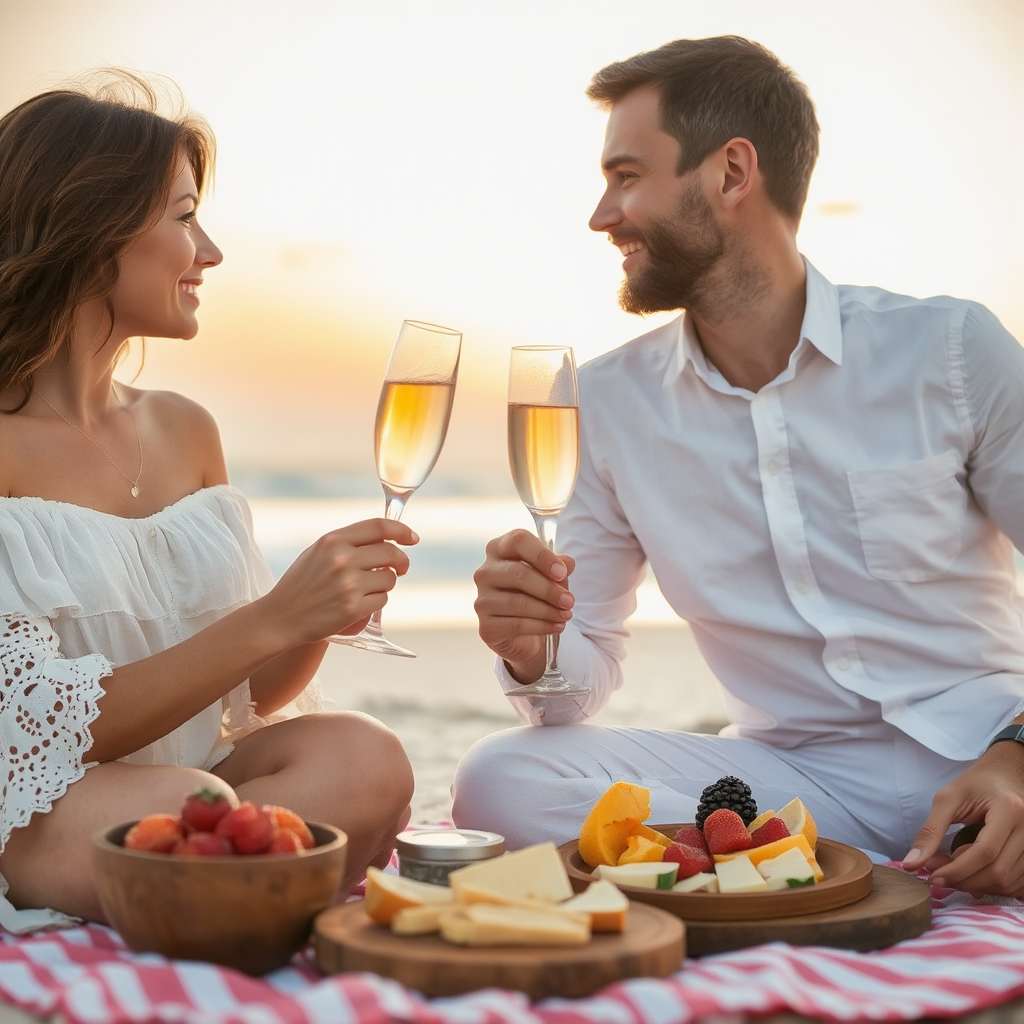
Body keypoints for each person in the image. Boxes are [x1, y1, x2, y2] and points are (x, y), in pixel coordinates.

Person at [452, 35, 1024, 899]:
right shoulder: (604, 403)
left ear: (730, 173)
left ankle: (818, 883)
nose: (603, 215)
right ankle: (836, 874)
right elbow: (573, 689)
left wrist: (1018, 759)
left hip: (992, 755)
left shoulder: (949, 350)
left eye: (627, 175)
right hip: (791, 788)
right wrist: (536, 651)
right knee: (500, 778)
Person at [0, 71, 416, 932]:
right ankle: (234, 880)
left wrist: (310, 614)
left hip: (196, 778)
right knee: (188, 800)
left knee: (365, 757)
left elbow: (251, 696)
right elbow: (39, 731)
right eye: (185, 218)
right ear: (94, 228)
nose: (212, 252)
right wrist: (269, 618)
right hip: (39, 802)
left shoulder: (187, 431)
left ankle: (209, 883)